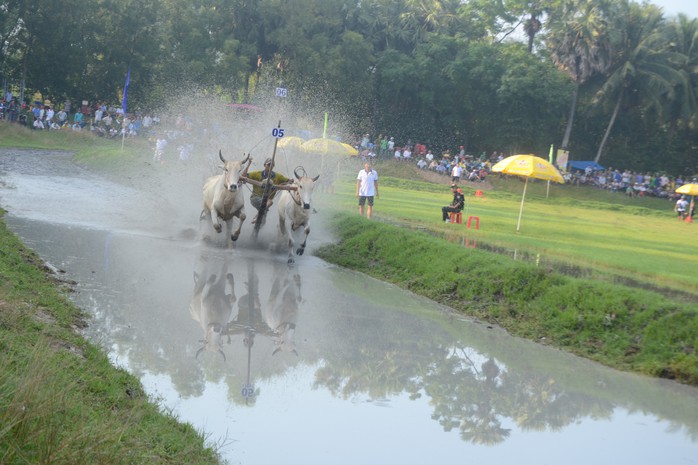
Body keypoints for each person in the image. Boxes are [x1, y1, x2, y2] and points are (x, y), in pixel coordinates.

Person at [246, 158, 290, 224]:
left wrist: (289, 183)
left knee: (262, 223)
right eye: (268, 164)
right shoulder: (256, 174)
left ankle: (257, 220)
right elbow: (243, 176)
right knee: (269, 202)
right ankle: (258, 216)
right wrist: (248, 164)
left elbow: (288, 181)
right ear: (264, 165)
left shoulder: (278, 176)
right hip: (255, 198)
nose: (270, 166)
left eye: (272, 165)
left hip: (266, 202)